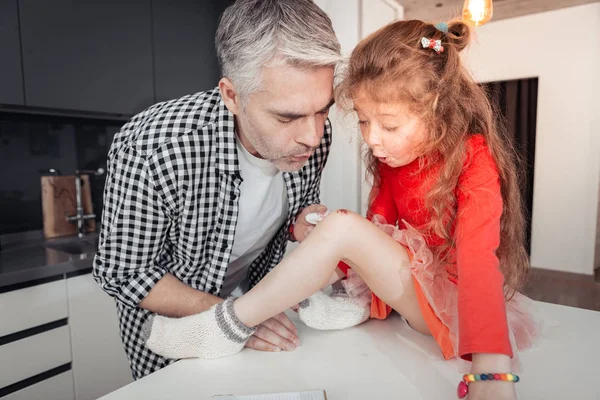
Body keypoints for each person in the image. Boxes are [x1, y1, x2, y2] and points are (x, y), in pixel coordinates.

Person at [141, 19, 537, 399]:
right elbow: (380, 233)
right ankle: (345, 303)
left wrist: (490, 369)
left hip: (452, 310)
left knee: (342, 226)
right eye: (364, 122)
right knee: (339, 231)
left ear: (435, 105)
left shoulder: (473, 156)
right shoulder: (390, 160)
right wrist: (313, 270)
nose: (374, 140)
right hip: (410, 297)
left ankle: (221, 328)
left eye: (390, 125)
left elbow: (477, 261)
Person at [93, 0, 342, 379]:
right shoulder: (153, 148)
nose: (312, 136)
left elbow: (295, 207)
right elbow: (124, 273)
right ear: (232, 96)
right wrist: (237, 317)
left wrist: (303, 222)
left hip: (261, 314)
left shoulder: (313, 134)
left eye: (324, 109)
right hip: (176, 334)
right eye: (287, 116)